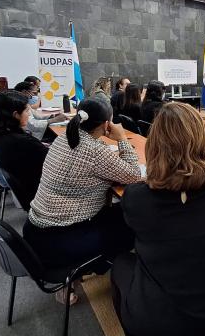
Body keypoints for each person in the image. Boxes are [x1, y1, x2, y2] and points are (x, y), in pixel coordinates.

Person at [111, 103, 205, 336]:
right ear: (202, 140)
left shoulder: (136, 197)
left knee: (121, 263)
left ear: (154, 144)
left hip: (169, 321)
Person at [24, 98, 141, 304]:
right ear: (107, 124)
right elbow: (133, 174)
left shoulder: (65, 137)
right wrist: (122, 138)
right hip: (61, 240)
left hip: (36, 230)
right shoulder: (95, 152)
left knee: (118, 211)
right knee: (135, 225)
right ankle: (117, 272)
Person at [0, 90, 48, 210]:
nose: (29, 114)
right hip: (44, 195)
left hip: (29, 192)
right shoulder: (23, 142)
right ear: (16, 115)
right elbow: (58, 163)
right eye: (27, 111)